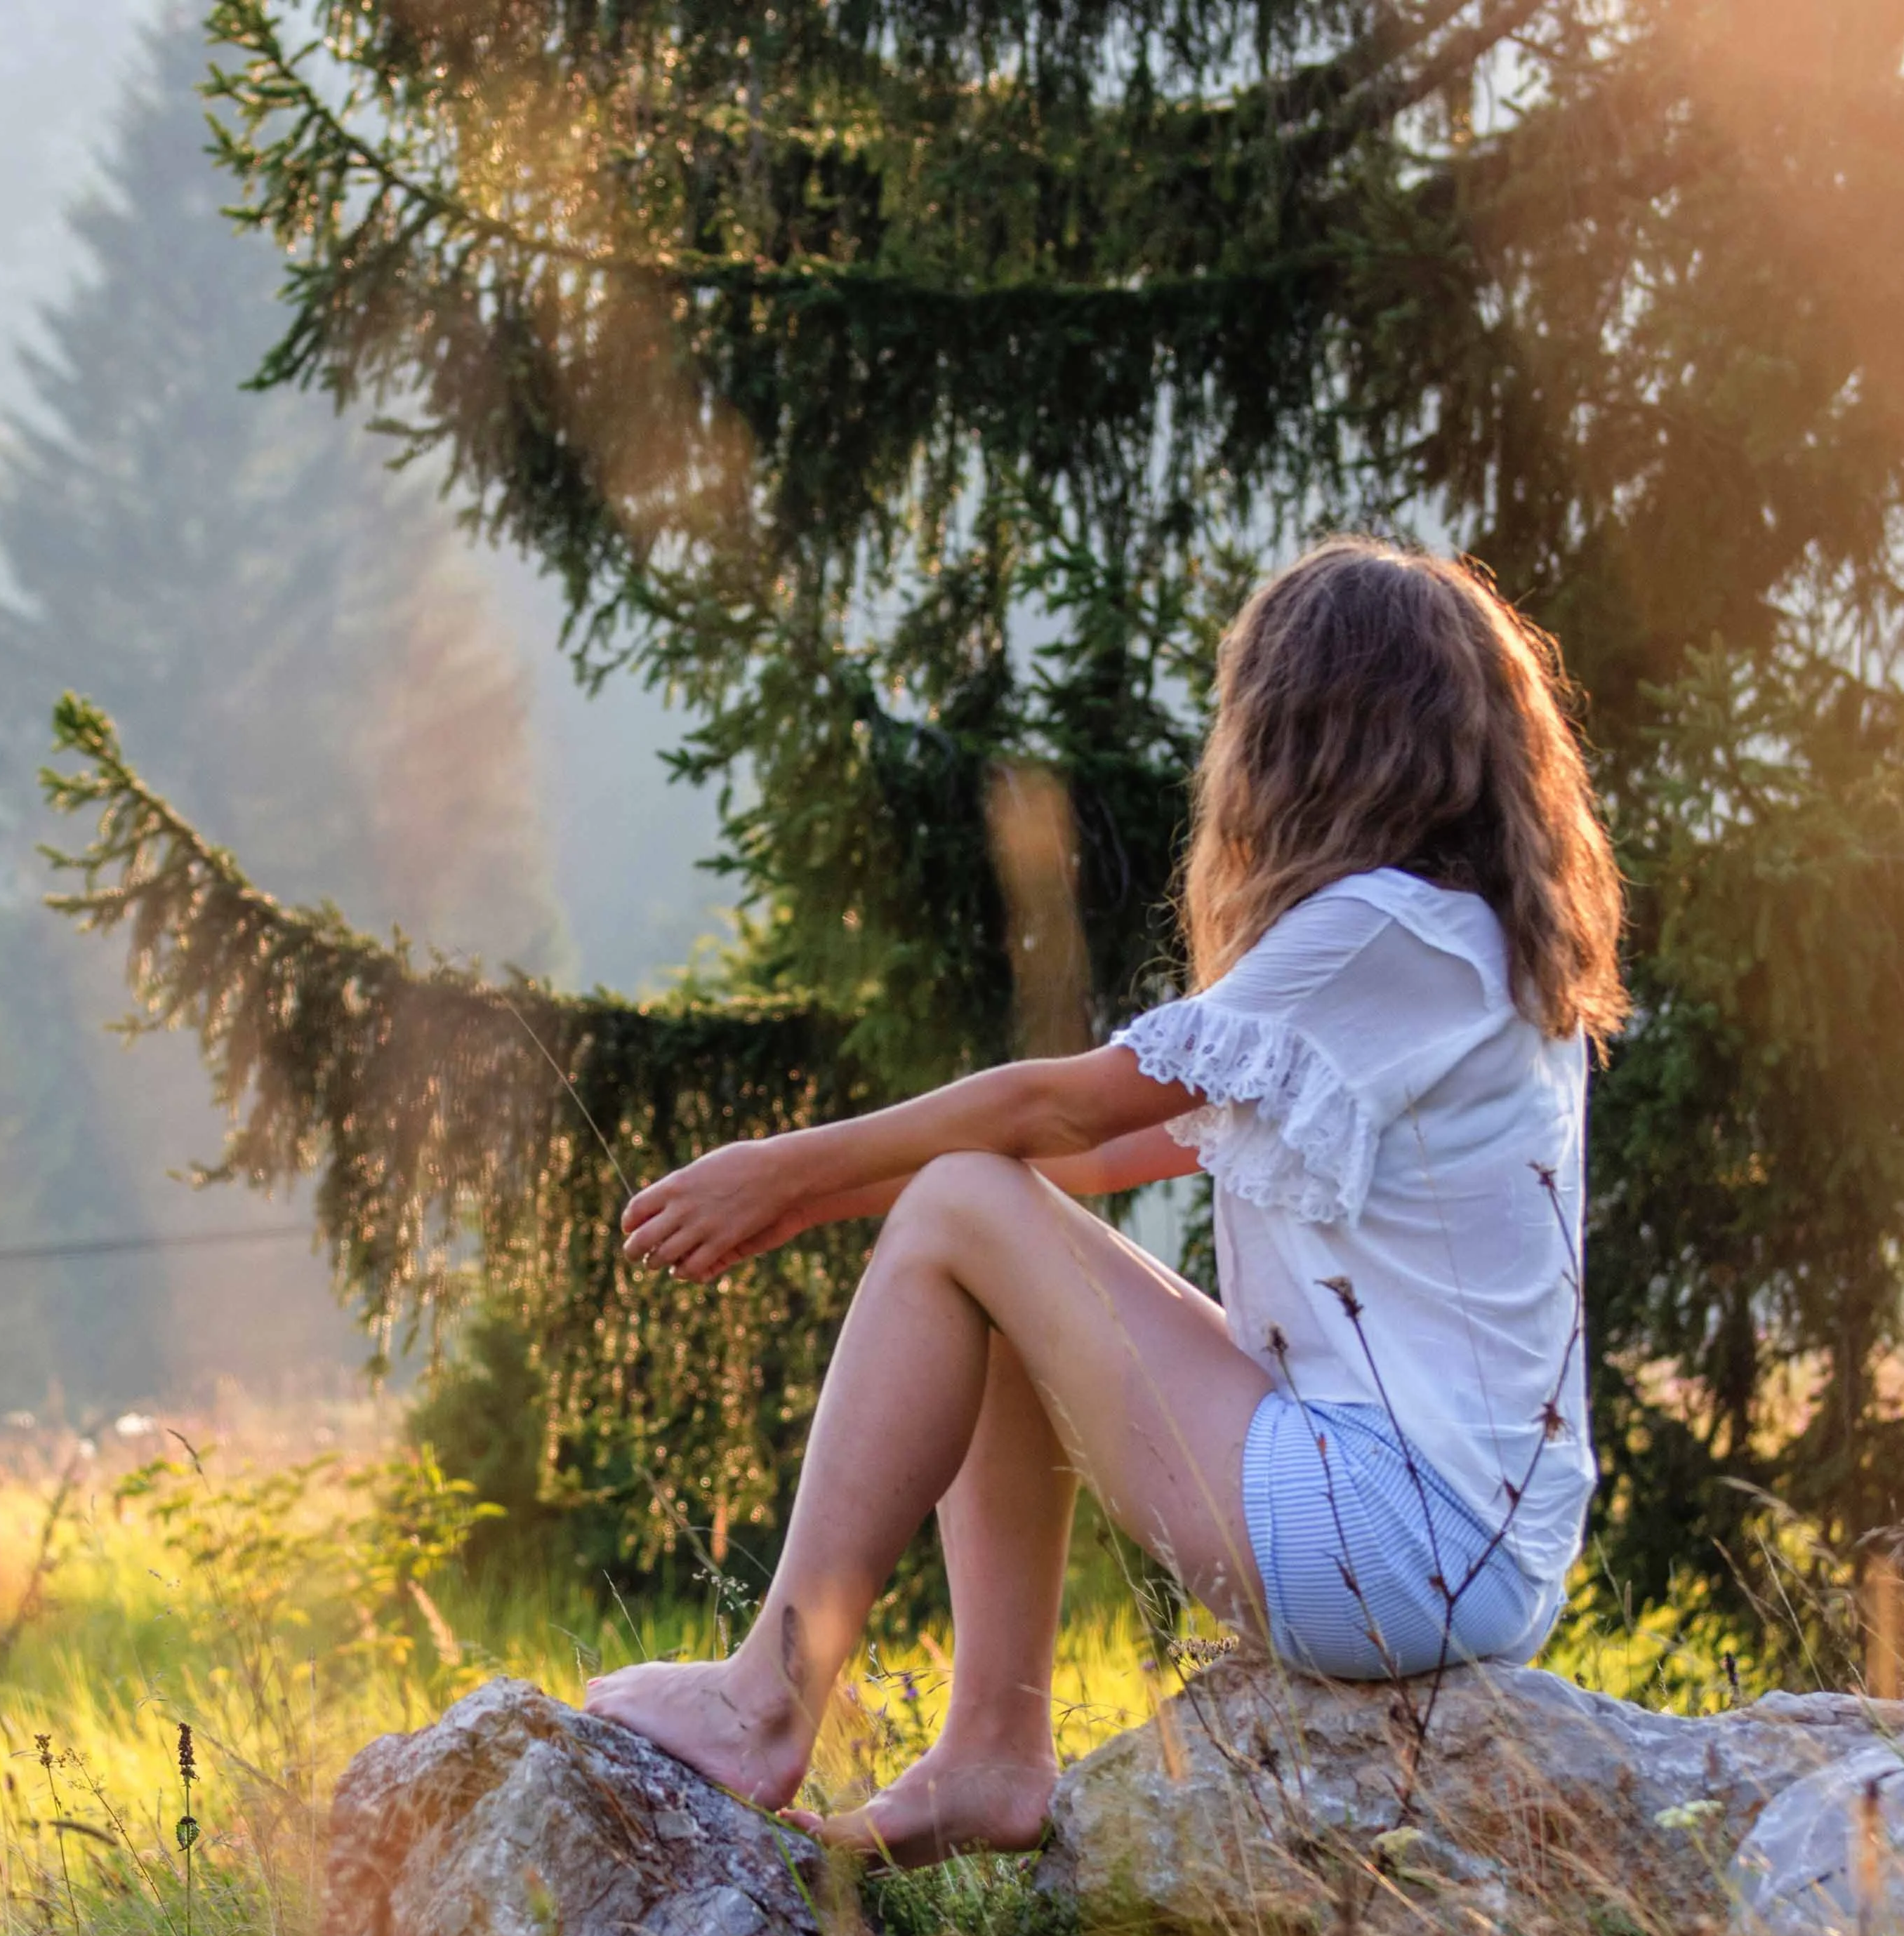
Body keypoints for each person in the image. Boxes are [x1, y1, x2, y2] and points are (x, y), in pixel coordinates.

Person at [584, 536, 1628, 1864]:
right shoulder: (1453, 944)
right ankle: (986, 1756)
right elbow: (1077, 1172)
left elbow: (1067, 1113)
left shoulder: (1386, 932)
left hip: (1399, 1542)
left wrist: (792, 1168)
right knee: (984, 1230)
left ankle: (765, 1702)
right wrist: (852, 1207)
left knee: (971, 1201)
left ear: (1300, 738)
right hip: (1449, 1554)